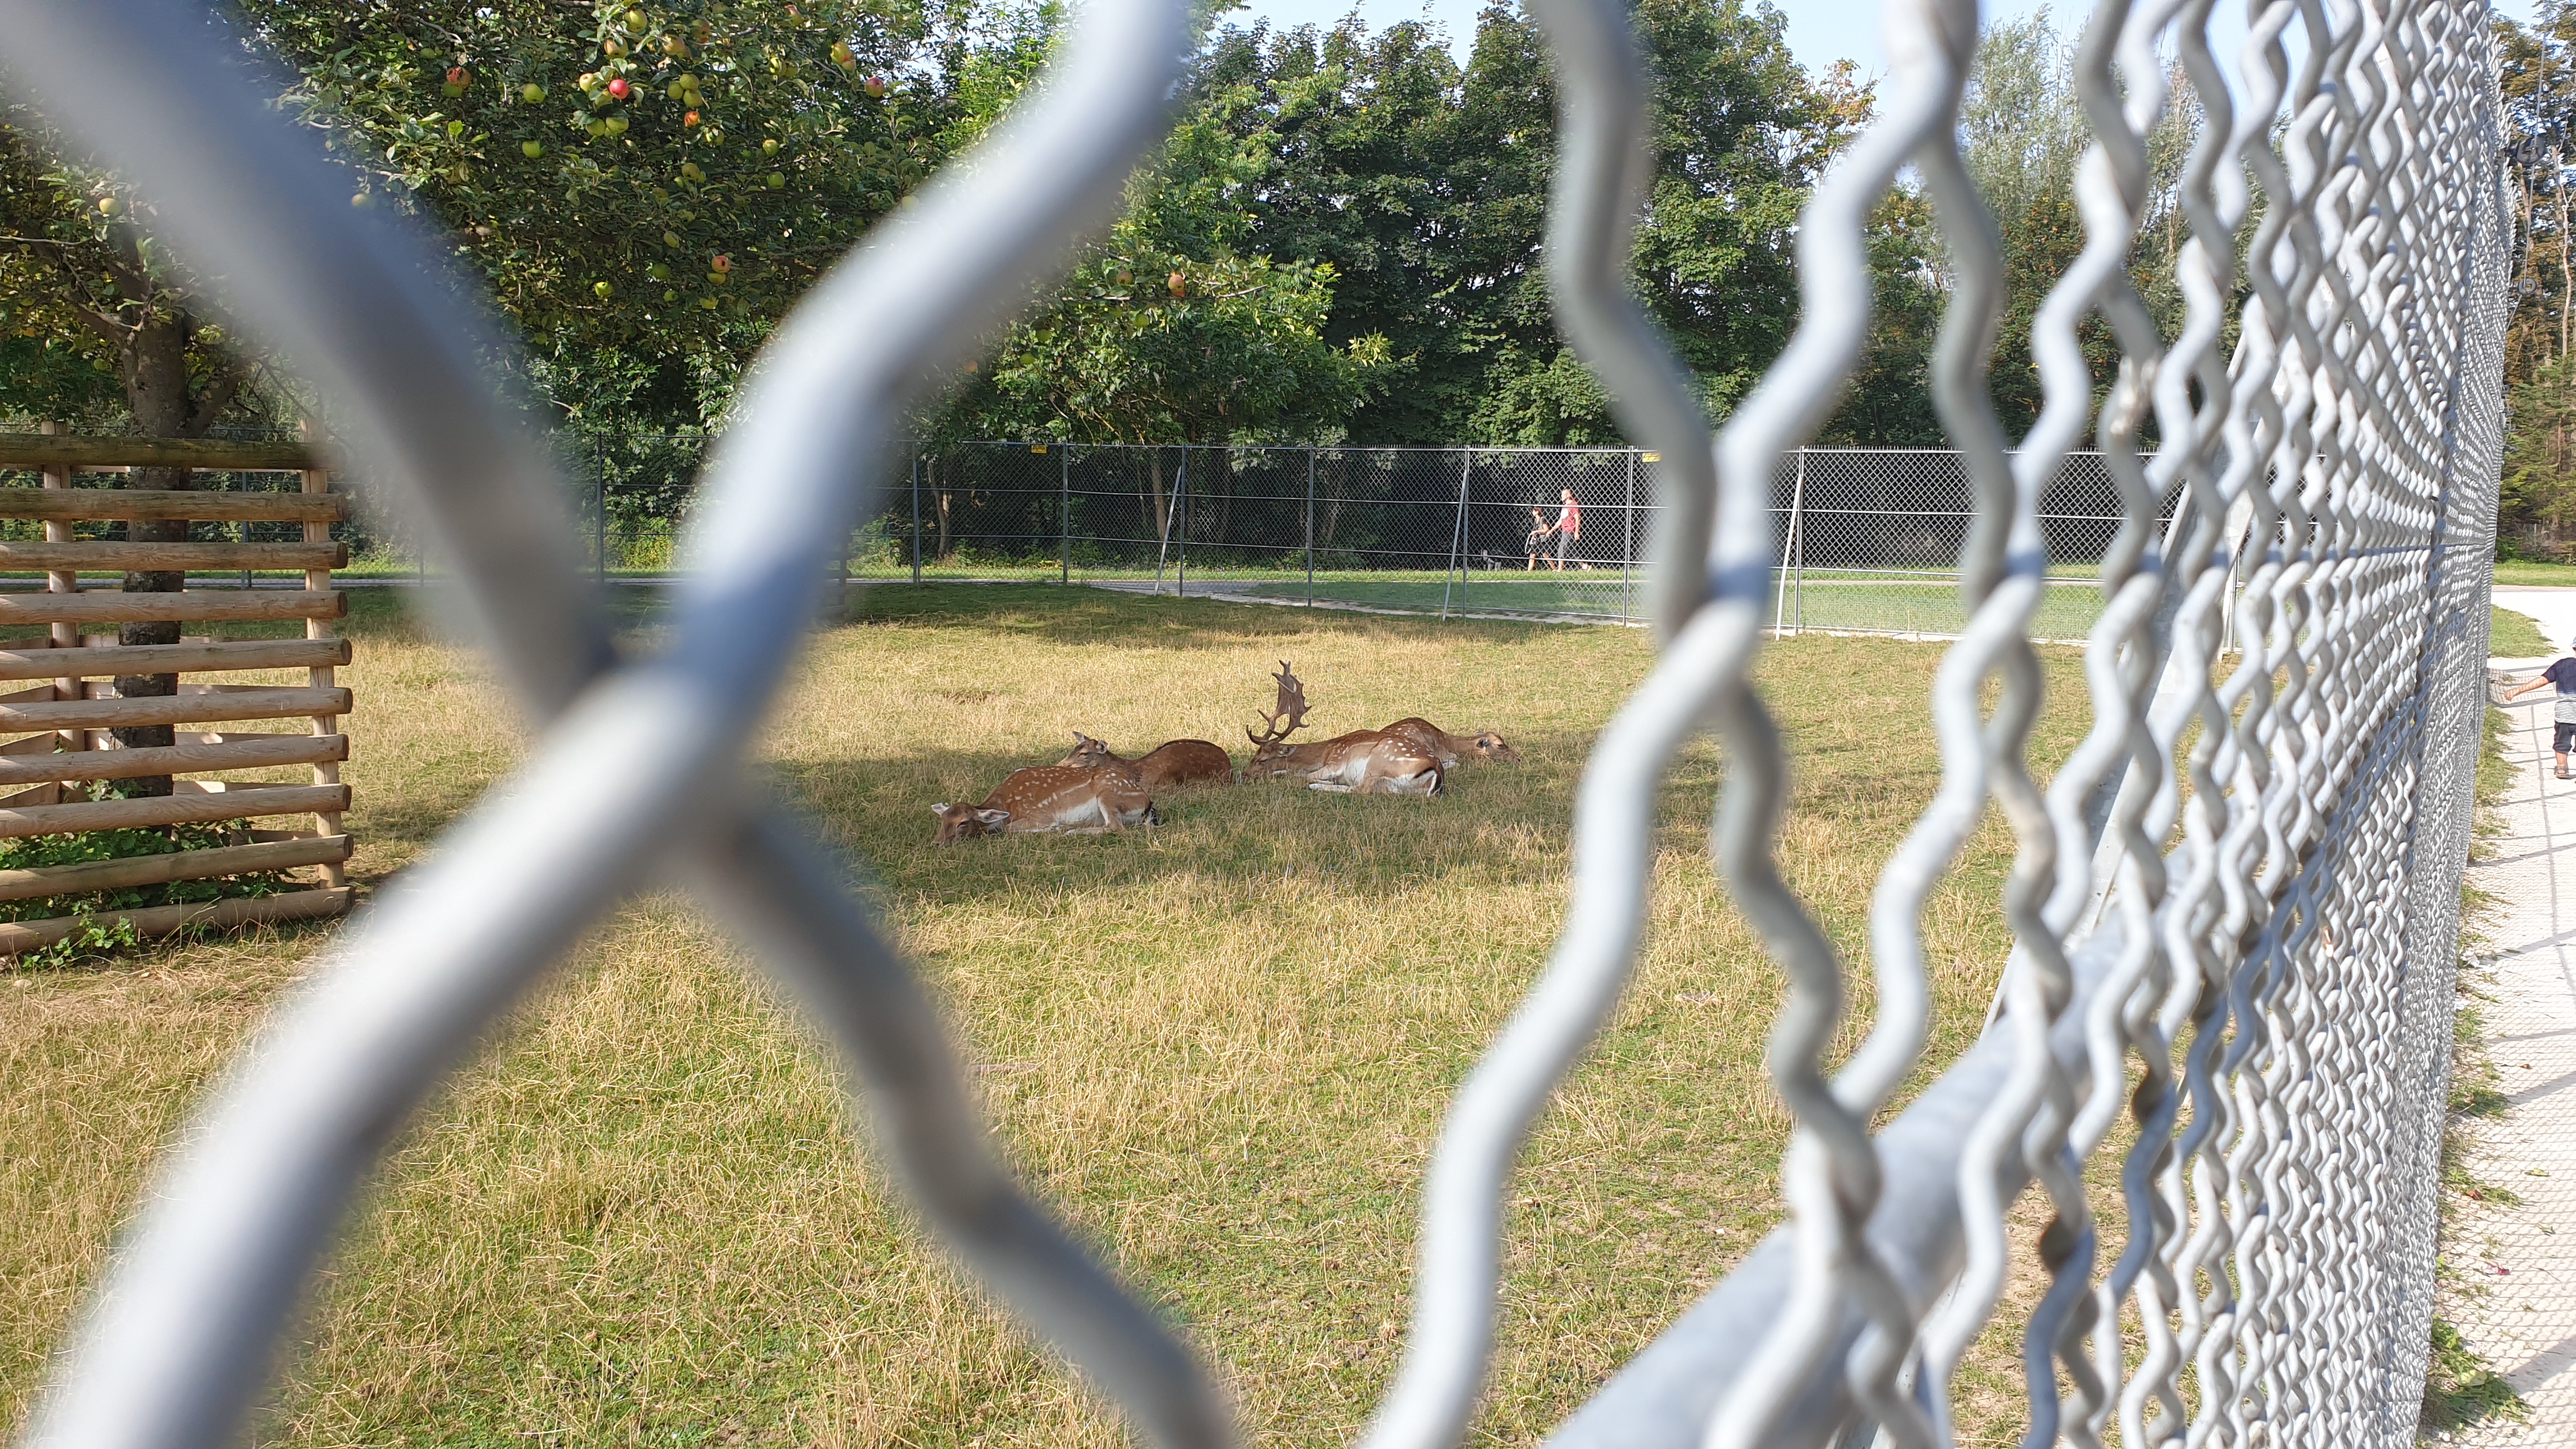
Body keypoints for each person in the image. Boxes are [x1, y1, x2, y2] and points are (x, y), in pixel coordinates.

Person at [2504, 639, 2576, 779]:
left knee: (2562, 742)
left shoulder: (2562, 665)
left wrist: (2518, 690)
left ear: (2574, 648)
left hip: (2565, 715)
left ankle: (2562, 768)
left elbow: (2542, 680)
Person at [1551, 487, 1581, 571]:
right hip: (1564, 530)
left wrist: (1576, 532)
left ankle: (1560, 570)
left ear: (1569, 495)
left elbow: (1578, 518)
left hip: (1570, 530)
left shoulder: (1573, 505)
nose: (1561, 496)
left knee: (1562, 548)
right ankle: (1585, 566)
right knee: (1571, 552)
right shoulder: (1564, 507)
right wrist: (1552, 530)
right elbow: (1561, 520)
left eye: (1563, 495)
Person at [1526, 507, 1549, 571]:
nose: (1532, 512)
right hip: (1537, 541)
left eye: (1533, 511)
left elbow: (1546, 530)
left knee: (1545, 555)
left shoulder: (1542, 519)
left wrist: (1537, 532)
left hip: (1542, 540)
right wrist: (1533, 536)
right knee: (1532, 555)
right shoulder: (1536, 520)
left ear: (1537, 512)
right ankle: (1529, 571)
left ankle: (1555, 569)